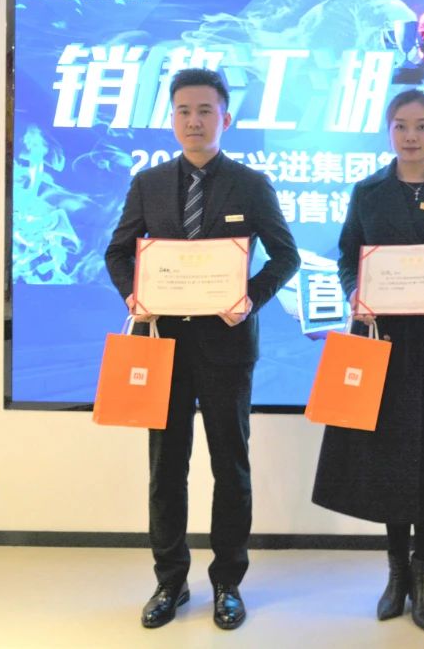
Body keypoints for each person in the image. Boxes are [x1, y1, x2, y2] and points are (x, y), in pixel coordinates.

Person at [104, 68, 299, 631]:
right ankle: (170, 581)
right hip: (162, 345)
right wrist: (135, 294)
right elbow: (119, 252)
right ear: (172, 118)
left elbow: (286, 256)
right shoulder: (148, 184)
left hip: (227, 347)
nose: (194, 121)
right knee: (166, 469)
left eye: (205, 110)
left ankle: (227, 583)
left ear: (225, 118)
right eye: (184, 111)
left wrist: (249, 298)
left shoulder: (250, 184)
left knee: (230, 467)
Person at [311, 89, 424, 631]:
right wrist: (354, 290)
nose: (411, 136)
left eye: (421, 126)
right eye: (401, 126)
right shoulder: (368, 191)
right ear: (388, 131)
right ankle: (396, 573)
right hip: (382, 340)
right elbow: (349, 255)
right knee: (388, 459)